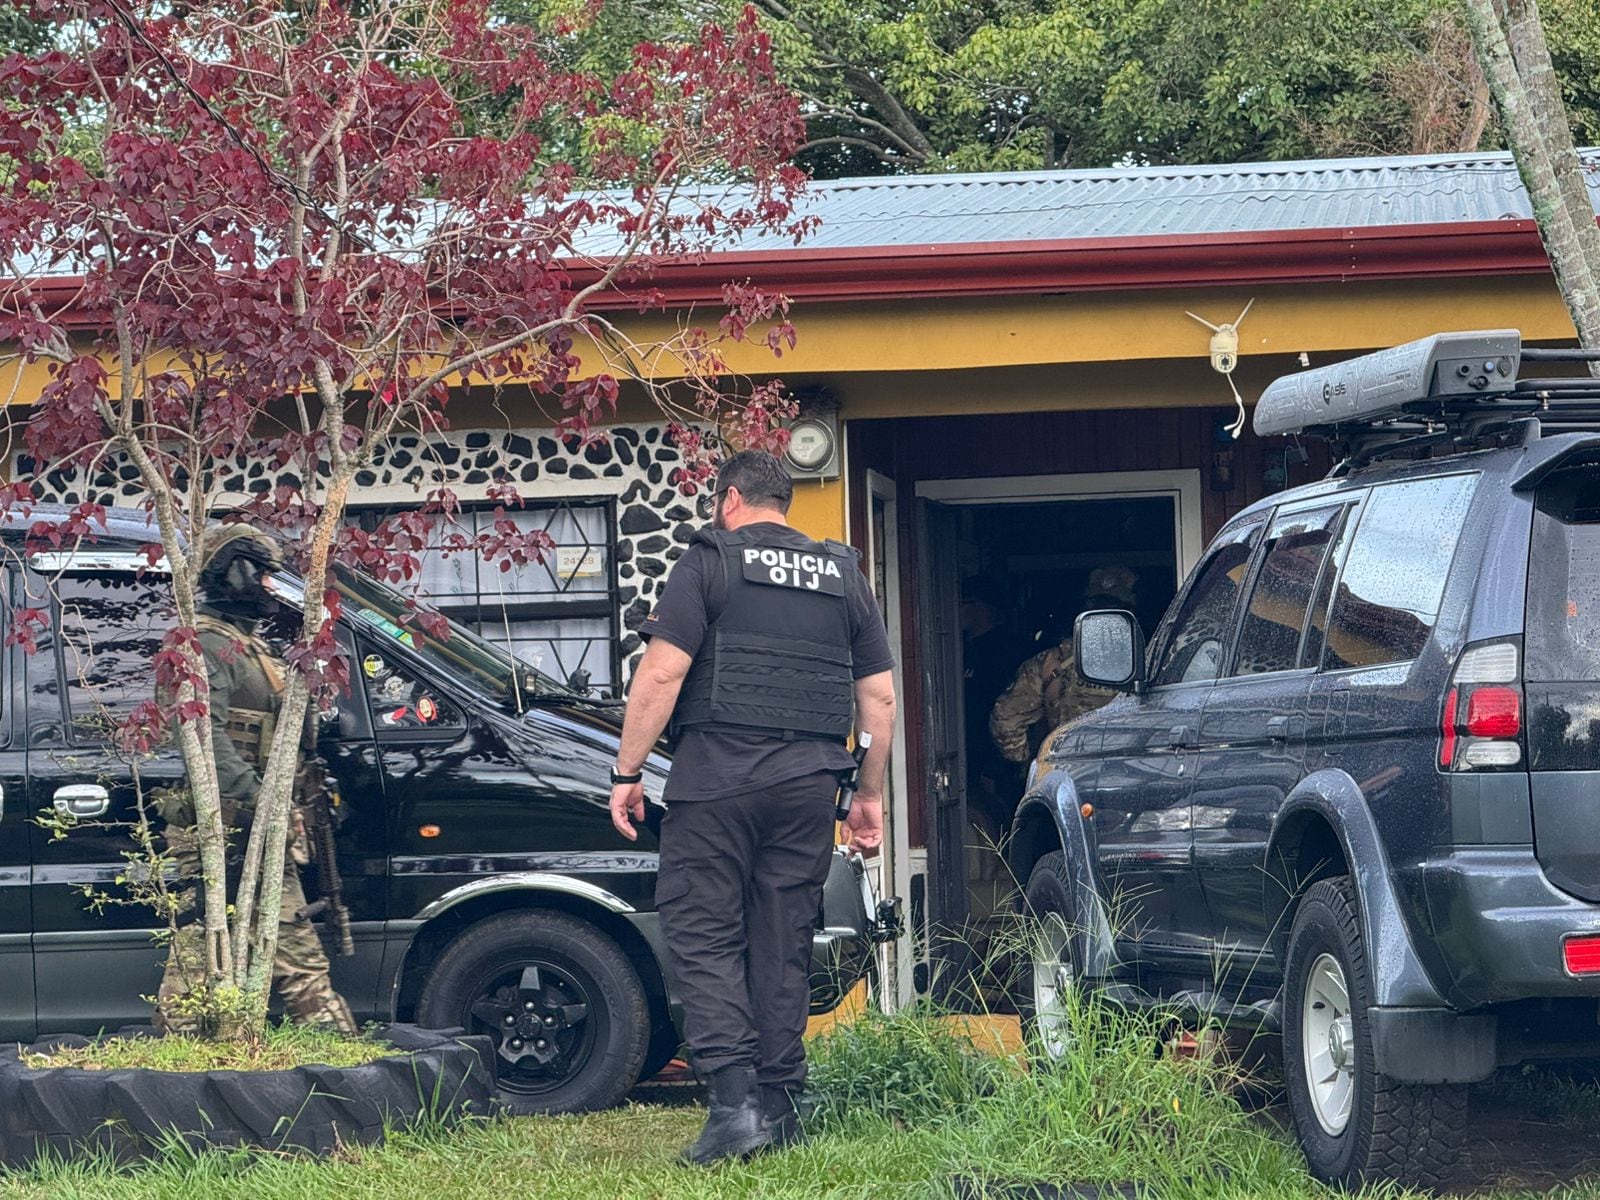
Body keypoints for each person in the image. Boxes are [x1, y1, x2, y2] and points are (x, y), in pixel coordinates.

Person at [609, 450, 897, 1166]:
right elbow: (880, 701)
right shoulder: (843, 574)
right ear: (784, 502)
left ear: (729, 499)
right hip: (808, 789)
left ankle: (735, 1106)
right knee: (783, 938)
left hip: (716, 782)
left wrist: (628, 770)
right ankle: (782, 1105)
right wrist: (868, 795)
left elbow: (663, 671)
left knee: (704, 934)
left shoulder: (710, 561)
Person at [155, 525, 357, 1036]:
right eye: (262, 573)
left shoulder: (246, 646)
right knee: (210, 954)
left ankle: (194, 1061)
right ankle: (342, 1058)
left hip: (259, 824)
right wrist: (261, 801)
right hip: (226, 828)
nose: (269, 585)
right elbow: (203, 740)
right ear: (236, 572)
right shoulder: (202, 643)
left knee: (212, 953)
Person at [989, 565, 1139, 765]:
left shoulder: (1051, 662)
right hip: (1127, 772)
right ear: (1130, 612)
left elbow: (1006, 719)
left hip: (1068, 773)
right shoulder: (1149, 660)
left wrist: (1034, 765)